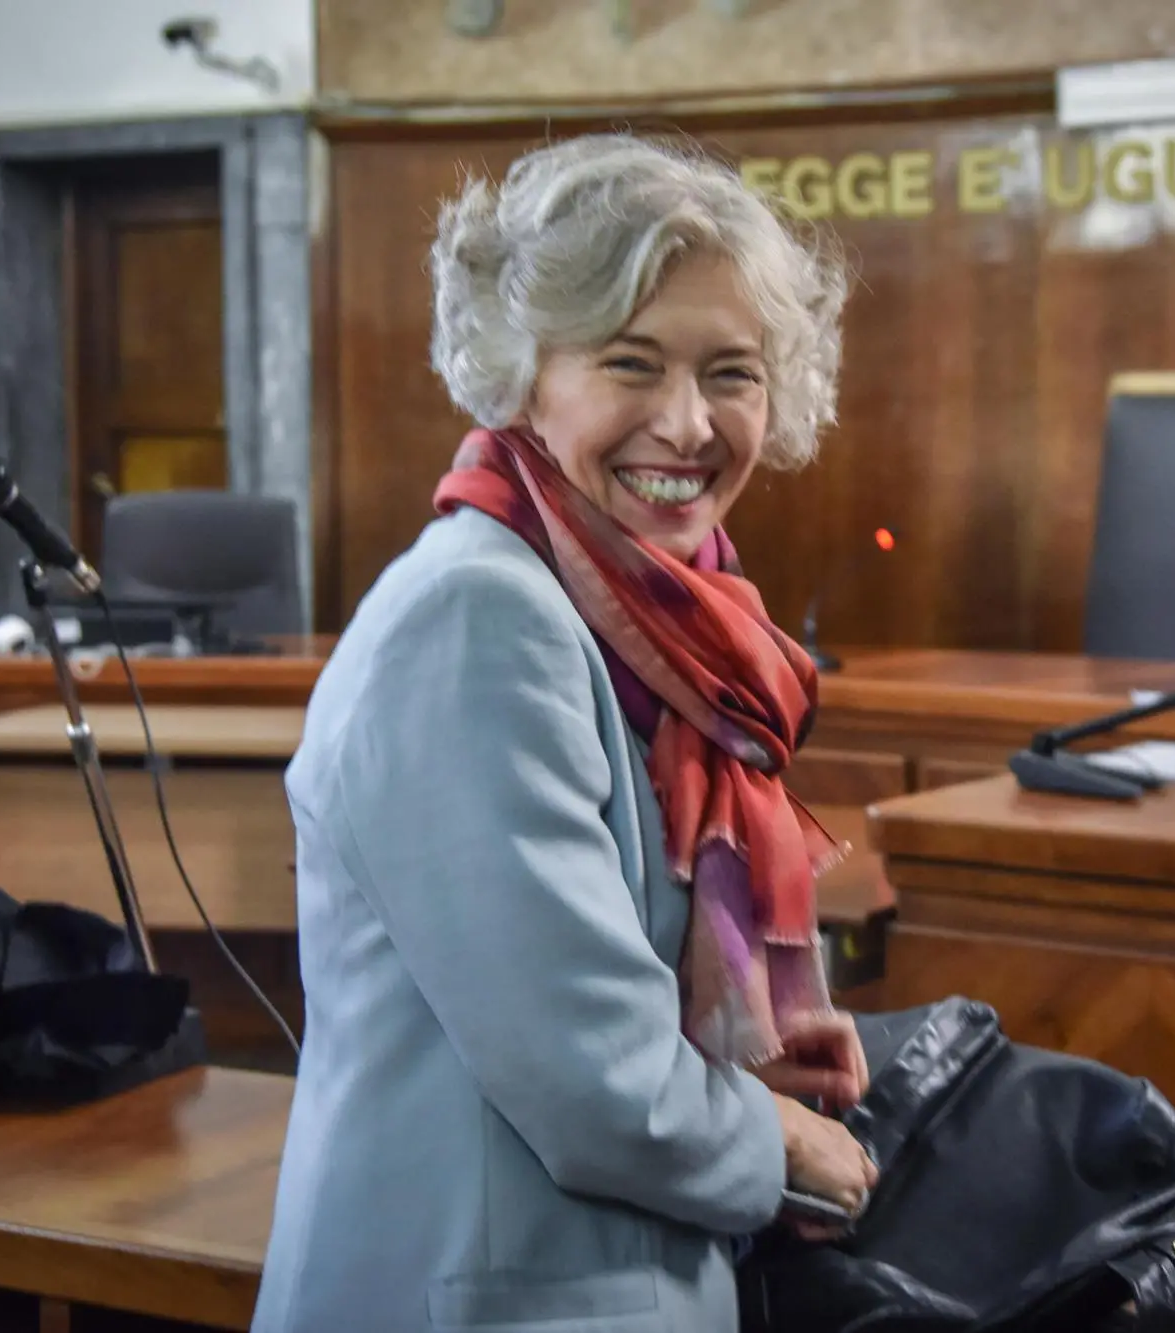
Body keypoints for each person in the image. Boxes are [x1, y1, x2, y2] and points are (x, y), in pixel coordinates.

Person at [252, 133, 878, 1333]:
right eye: (629, 362)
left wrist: (763, 1069)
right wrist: (790, 1143)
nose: (686, 424)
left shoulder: (669, 624)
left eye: (731, 373)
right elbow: (593, 1081)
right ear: (522, 375)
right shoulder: (480, 620)